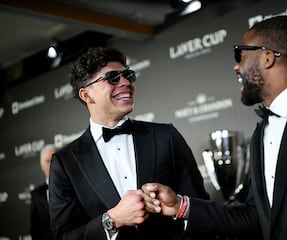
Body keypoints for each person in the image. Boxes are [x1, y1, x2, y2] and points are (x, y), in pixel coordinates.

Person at [142, 15, 287, 240]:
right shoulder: (262, 132)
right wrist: (181, 206)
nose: (236, 66)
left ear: (267, 57)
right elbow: (255, 217)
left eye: (241, 55)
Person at [48, 46, 210, 240]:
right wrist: (112, 220)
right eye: (112, 78)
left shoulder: (166, 136)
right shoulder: (66, 162)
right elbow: (64, 236)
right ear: (86, 95)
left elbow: (201, 209)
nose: (125, 82)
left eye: (128, 75)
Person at [30, 144, 57, 240]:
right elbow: (35, 229)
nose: (51, 164)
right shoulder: (36, 195)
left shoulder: (72, 188)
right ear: (42, 165)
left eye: (54, 159)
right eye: (47, 161)